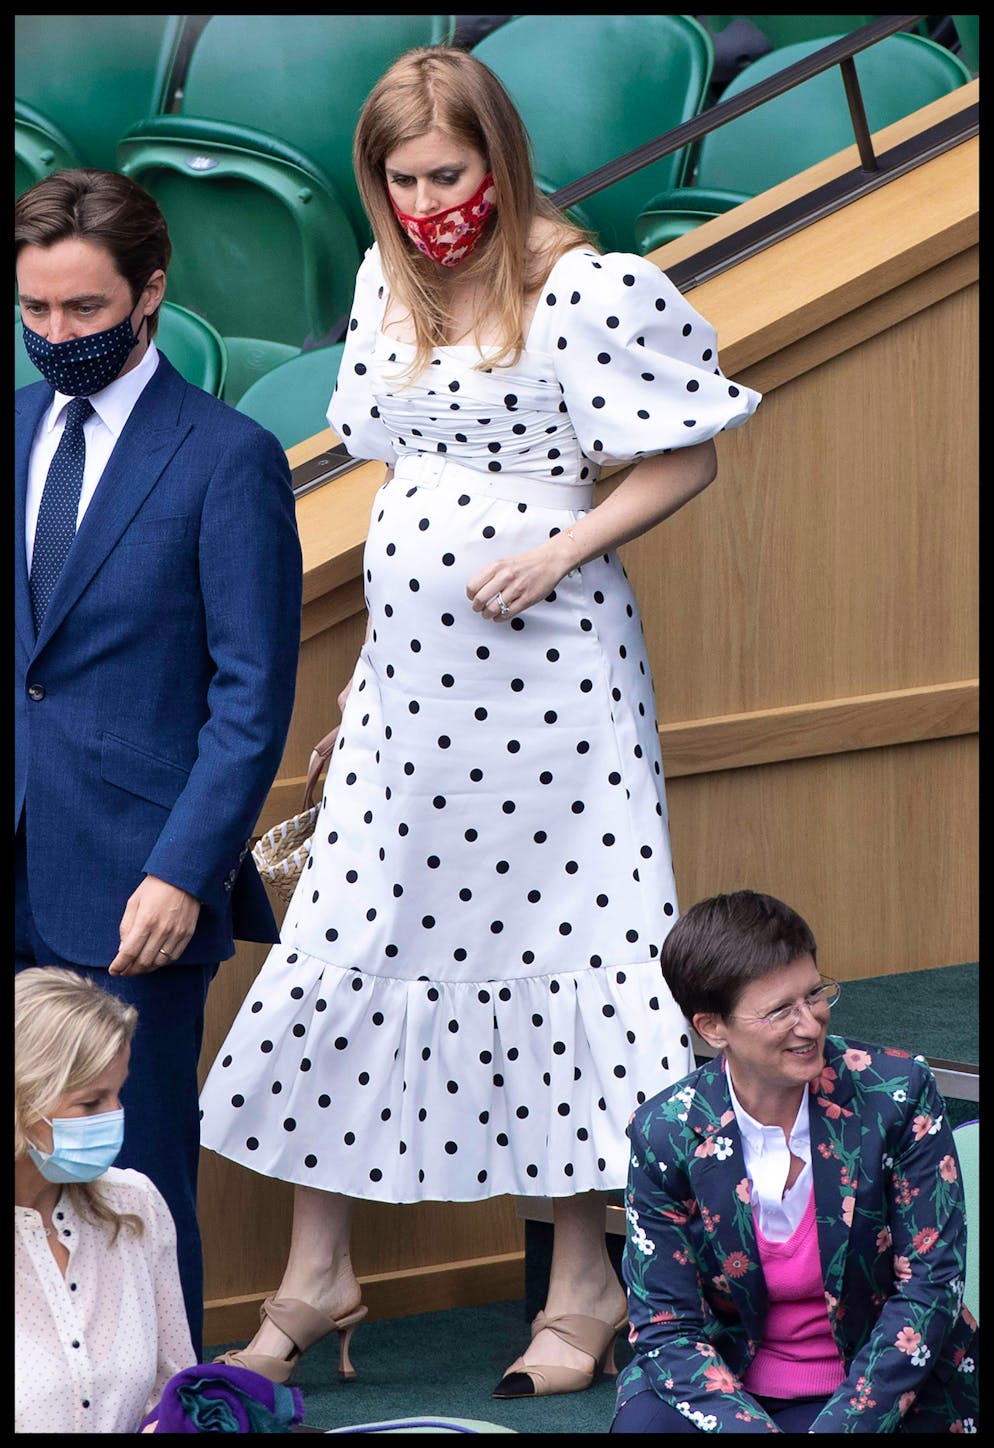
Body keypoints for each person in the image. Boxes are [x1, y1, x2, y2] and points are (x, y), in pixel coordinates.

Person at [198, 44, 761, 1399]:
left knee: (565, 950)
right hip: (410, 691)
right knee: (349, 943)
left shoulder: (585, 285)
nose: (422, 201)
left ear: (497, 162)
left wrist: (562, 550)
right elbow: (398, 483)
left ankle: (583, 1288)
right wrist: (371, 668)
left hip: (554, 683)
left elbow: (685, 452)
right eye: (398, 179)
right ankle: (315, 1272)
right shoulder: (384, 284)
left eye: (446, 174)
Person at [14, 169, 304, 1359]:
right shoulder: (15, 424)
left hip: (137, 883)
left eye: (82, 310)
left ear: (150, 293)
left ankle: (166, 1395)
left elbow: (251, 699)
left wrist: (186, 870)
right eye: (33, 311)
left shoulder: (227, 456)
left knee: (132, 1177)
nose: (55, 337)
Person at [612, 890, 979, 1434]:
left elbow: (930, 1286)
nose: (810, 1024)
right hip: (726, 1381)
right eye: (781, 1010)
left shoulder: (897, 1094)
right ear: (713, 1028)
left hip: (882, 1384)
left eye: (815, 994)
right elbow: (665, 1325)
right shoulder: (666, 1133)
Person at [15, 966, 196, 1433]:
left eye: (119, 1093)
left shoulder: (136, 1205)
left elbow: (174, 1389)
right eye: (91, 1103)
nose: (115, 1117)